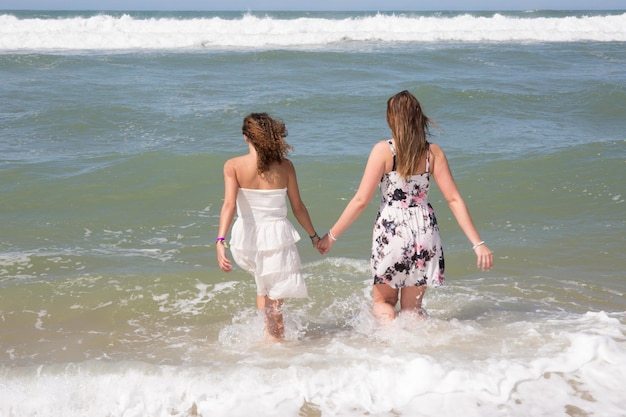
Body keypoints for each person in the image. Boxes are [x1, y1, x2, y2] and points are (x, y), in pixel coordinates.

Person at [318, 90, 493, 321]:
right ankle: (415, 352)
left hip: (393, 231)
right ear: (418, 117)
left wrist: (331, 236)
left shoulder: (384, 150)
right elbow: (454, 199)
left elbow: (361, 200)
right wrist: (478, 243)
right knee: (413, 310)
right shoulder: (433, 153)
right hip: (424, 230)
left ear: (391, 118)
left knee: (384, 303)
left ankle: (392, 348)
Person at [216, 112, 320, 340]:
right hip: (275, 238)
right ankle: (276, 344)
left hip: (246, 239)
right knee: (275, 301)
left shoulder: (233, 165)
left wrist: (220, 241)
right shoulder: (286, 167)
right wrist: (314, 236)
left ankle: (267, 343)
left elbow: (228, 205)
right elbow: (298, 207)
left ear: (246, 137)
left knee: (263, 288)